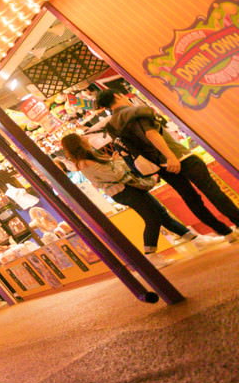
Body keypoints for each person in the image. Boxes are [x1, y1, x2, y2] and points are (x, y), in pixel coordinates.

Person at [98, 90, 239, 240]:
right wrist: (171, 156)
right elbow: (151, 134)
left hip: (161, 166)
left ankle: (225, 232)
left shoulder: (112, 126)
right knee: (211, 190)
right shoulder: (135, 111)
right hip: (179, 157)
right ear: (117, 96)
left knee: (190, 198)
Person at [60, 133, 224, 262]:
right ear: (78, 143)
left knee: (162, 215)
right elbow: (115, 174)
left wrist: (115, 162)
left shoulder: (88, 158)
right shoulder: (84, 162)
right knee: (152, 218)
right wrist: (119, 161)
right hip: (123, 191)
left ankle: (196, 239)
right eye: (81, 138)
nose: (85, 139)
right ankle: (150, 253)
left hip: (129, 188)